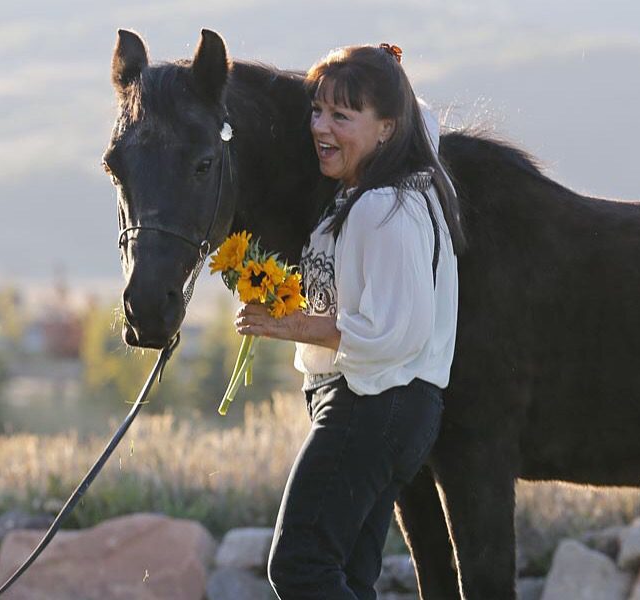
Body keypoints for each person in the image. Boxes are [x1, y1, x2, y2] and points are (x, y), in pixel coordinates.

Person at [234, 43, 463, 600]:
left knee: (301, 566)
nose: (320, 127)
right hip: (387, 408)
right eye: (317, 110)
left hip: (372, 402)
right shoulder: (384, 189)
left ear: (386, 128)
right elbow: (417, 117)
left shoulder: (385, 209)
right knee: (348, 578)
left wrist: (290, 324)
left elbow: (392, 334)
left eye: (342, 115)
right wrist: (386, 64)